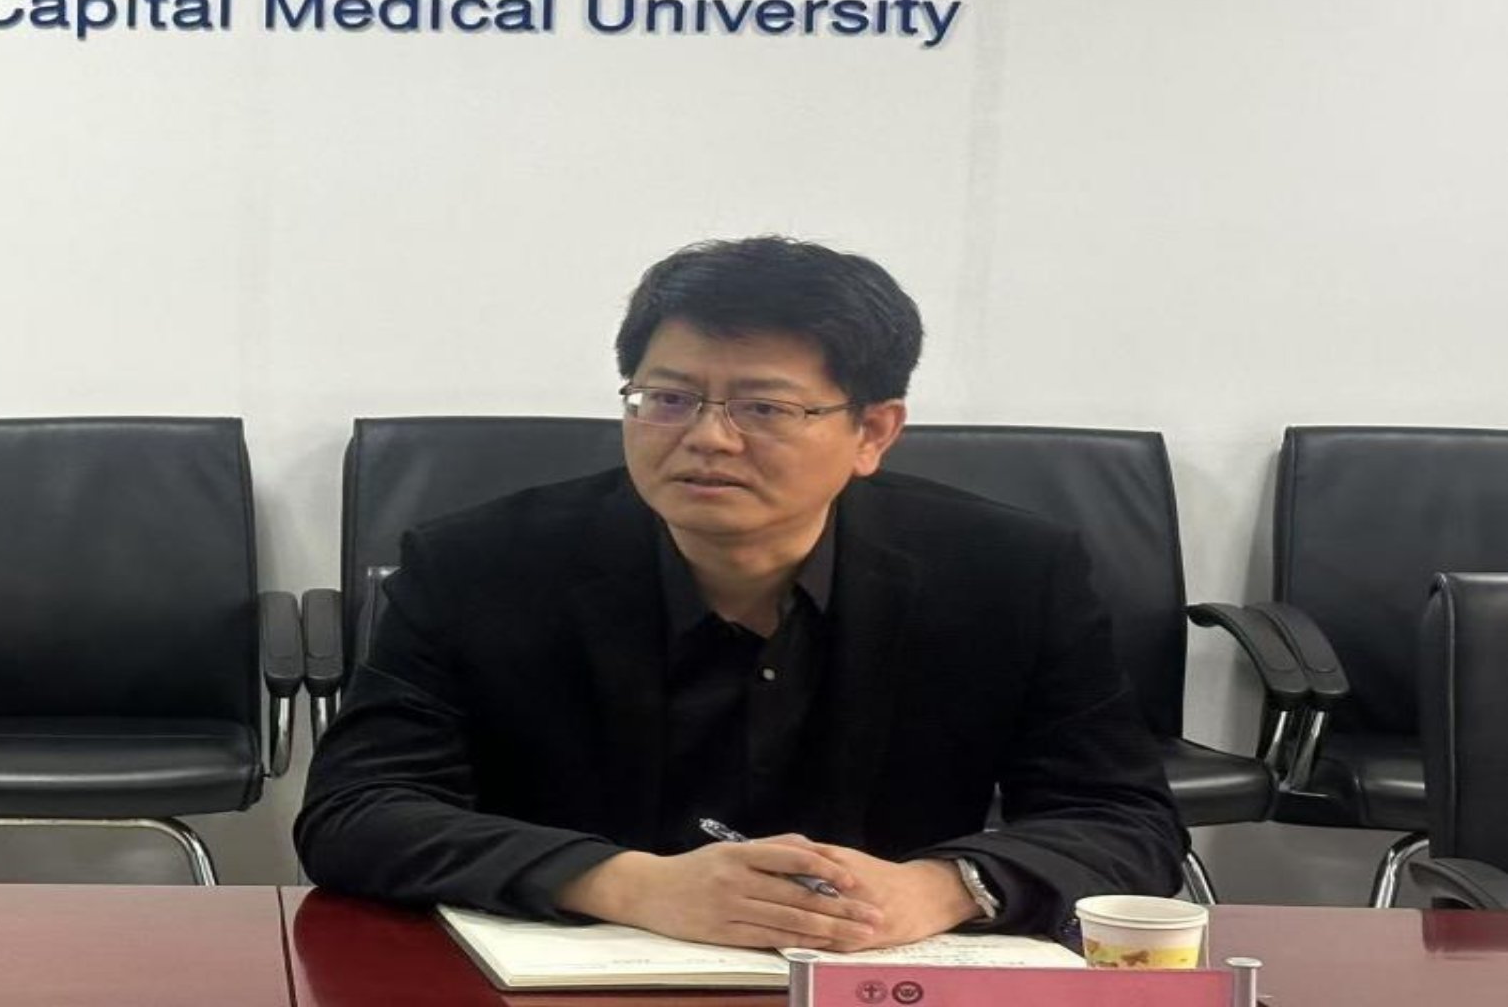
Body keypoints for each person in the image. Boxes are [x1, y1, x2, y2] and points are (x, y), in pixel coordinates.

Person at [295, 236, 1185, 951]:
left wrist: (940, 888)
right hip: (577, 971)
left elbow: (1123, 817)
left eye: (764, 408)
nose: (708, 439)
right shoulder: (479, 565)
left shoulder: (1008, 573)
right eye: (668, 398)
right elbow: (356, 811)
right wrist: (630, 883)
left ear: (873, 432)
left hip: (879, 972)